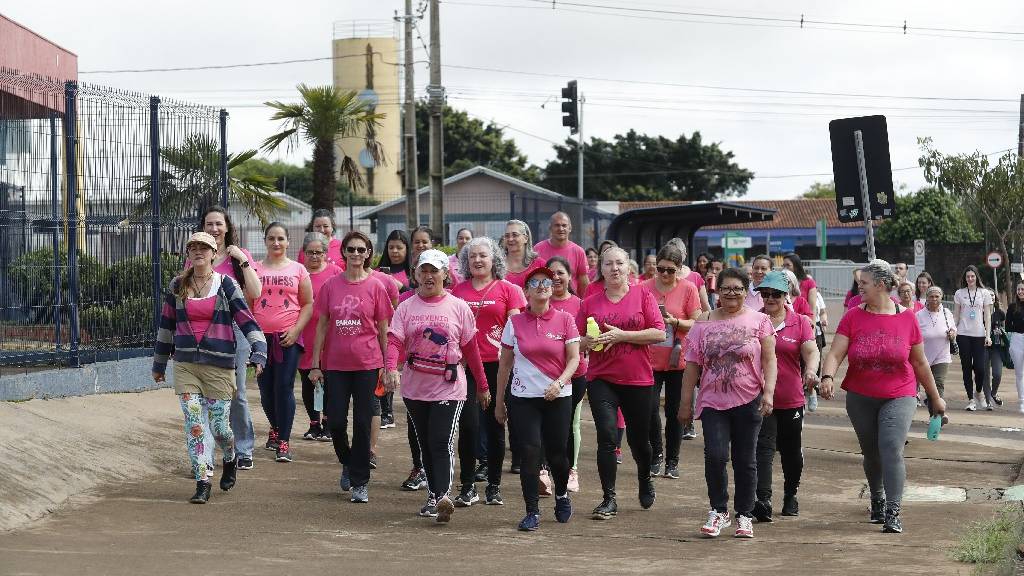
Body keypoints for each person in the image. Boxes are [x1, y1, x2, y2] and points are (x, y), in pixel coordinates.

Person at [820, 259, 947, 534]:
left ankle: (893, 510)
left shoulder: (907, 317)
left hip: (899, 393)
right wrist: (828, 376)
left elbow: (921, 363)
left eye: (863, 283)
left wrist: (934, 398)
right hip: (860, 395)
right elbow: (835, 352)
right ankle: (876, 496)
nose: (859, 287)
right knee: (871, 453)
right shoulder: (853, 315)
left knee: (891, 448)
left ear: (880, 285)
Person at [152, 232, 267, 503]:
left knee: (220, 427)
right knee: (194, 424)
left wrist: (259, 351)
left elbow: (246, 320)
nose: (198, 252)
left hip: (219, 365)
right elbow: (167, 326)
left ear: (215, 254)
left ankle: (230, 456)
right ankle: (202, 480)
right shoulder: (178, 285)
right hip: (186, 365)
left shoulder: (226, 285)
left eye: (204, 248)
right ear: (188, 254)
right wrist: (159, 364)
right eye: (193, 248)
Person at [383, 249, 489, 523]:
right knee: (426, 443)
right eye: (424, 271)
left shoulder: (458, 307)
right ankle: (433, 495)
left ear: (445, 274)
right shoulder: (406, 307)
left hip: (449, 386)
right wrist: (391, 368)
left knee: (441, 441)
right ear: (416, 274)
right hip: (415, 386)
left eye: (435, 271)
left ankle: (442, 496)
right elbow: (394, 340)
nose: (429, 276)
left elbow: (471, 348)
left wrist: (483, 385)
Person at [679, 268, 777, 539]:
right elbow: (692, 366)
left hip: (749, 399)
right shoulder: (703, 322)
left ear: (746, 291)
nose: (731, 293)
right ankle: (718, 510)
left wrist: (768, 392)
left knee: (745, 460)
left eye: (737, 288)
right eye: (726, 288)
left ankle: (744, 515)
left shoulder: (760, 320)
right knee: (716, 455)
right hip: (712, 401)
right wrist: (685, 403)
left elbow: (770, 360)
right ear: (717, 291)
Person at [578, 246, 667, 520]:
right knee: (606, 437)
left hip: (637, 379)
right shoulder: (590, 302)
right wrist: (587, 342)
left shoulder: (643, 295)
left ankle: (644, 478)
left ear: (629, 267)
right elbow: (576, 340)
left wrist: (623, 335)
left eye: (619, 263)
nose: (614, 268)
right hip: (601, 378)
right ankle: (608, 498)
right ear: (600, 269)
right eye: (608, 264)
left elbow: (659, 333)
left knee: (640, 442)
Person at [308, 232, 394, 503]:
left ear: (368, 253)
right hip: (335, 364)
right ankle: (347, 460)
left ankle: (360, 481)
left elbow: (383, 328)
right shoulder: (331, 286)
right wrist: (315, 364)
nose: (356, 254)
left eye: (361, 249)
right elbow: (321, 325)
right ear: (343, 253)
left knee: (362, 422)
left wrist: (386, 365)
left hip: (368, 364)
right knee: (334, 421)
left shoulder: (377, 286)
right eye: (351, 249)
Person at [495, 266, 581, 531]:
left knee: (557, 453)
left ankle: (562, 495)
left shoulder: (565, 319)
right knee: (530, 452)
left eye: (547, 281)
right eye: (536, 282)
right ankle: (531, 510)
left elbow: (574, 358)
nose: (543, 285)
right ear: (526, 291)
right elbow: (505, 364)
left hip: (558, 396)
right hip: (523, 398)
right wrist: (500, 401)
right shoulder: (515, 322)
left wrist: (559, 382)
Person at [451, 236, 527, 507]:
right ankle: (468, 485)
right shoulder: (457, 292)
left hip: (498, 366)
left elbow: (518, 330)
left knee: (496, 425)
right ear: (466, 261)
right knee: (469, 426)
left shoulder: (509, 290)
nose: (478, 260)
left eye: (483, 255)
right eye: (472, 256)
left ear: (494, 258)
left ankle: (494, 486)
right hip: (466, 367)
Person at [195, 206, 261, 471]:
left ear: (227, 227)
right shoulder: (197, 256)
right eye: (209, 224)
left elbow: (255, 292)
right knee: (206, 394)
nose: (214, 229)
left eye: (218, 224)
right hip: (204, 330)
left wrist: (242, 260)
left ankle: (243, 449)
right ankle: (208, 454)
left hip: (235, 328)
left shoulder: (238, 256)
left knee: (237, 393)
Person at [752, 271, 818, 522]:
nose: (769, 299)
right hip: (759, 396)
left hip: (791, 397)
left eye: (775, 295)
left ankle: (791, 493)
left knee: (791, 451)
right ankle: (764, 500)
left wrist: (811, 370)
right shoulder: (753, 320)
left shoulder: (799, 322)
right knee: (764, 447)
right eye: (765, 294)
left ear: (785, 296)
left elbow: (811, 351)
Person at [253, 222, 314, 463]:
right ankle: (275, 427)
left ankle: (284, 441)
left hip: (288, 338)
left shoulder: (299, 270)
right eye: (271, 238)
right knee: (266, 389)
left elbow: (308, 303)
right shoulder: (255, 269)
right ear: (265, 241)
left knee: (284, 387)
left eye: (280, 238)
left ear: (288, 242)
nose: (276, 243)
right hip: (260, 340)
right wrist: (253, 335)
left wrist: (296, 330)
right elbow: (248, 304)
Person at [644, 244, 701, 479]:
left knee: (676, 411)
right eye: (660, 269)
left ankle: (672, 460)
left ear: (679, 269)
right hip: (649, 357)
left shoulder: (688, 289)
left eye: (670, 270)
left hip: (678, 358)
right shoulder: (644, 288)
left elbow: (697, 323)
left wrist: (674, 321)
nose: (665, 274)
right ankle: (656, 454)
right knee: (649, 410)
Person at [297, 232, 342, 441]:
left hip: (330, 336)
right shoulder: (299, 273)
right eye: (310, 252)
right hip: (305, 333)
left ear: (326, 253)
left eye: (319, 252)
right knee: (308, 381)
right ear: (304, 253)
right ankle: (314, 423)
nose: (315, 256)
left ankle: (328, 423)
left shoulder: (336, 272)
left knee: (330, 383)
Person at [546, 256, 587, 492]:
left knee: (571, 422)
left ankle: (571, 469)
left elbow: (589, 340)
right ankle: (545, 470)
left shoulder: (580, 304)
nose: (556, 277)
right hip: (542, 374)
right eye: (551, 273)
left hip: (575, 373)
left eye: (561, 272)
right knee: (545, 424)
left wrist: (570, 344)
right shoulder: (539, 303)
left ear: (570, 276)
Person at [954, 265, 994, 411]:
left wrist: (988, 335)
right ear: (965, 279)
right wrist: (953, 330)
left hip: (979, 335)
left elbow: (987, 316)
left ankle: (979, 392)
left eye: (972, 276)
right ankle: (971, 399)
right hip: (963, 334)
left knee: (980, 368)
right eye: (967, 277)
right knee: (966, 368)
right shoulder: (959, 293)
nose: (970, 279)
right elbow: (956, 315)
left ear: (977, 277)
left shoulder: (984, 293)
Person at [916, 286, 955, 411]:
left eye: (937, 296)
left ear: (941, 297)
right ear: (927, 298)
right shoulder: (919, 315)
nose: (934, 299)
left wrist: (953, 333)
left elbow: (954, 328)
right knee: (929, 386)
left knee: (938, 383)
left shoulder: (946, 312)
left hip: (942, 355)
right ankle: (933, 413)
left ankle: (938, 415)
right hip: (924, 356)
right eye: (931, 296)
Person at [533, 211, 591, 294]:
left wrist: (583, 303)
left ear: (570, 228)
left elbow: (583, 283)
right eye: (557, 225)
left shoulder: (578, 251)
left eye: (564, 225)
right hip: (545, 303)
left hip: (571, 303)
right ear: (550, 228)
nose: (561, 229)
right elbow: (534, 279)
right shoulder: (538, 249)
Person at [503, 219, 544, 289]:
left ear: (525, 238)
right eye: (507, 236)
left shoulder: (540, 264)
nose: (510, 239)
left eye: (515, 235)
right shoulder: (497, 266)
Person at [782, 253, 819, 320]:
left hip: (803, 322)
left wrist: (812, 328)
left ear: (796, 266)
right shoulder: (781, 282)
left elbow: (812, 308)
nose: (785, 268)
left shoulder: (809, 282)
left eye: (788, 265)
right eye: (783, 265)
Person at [1006, 283, 1024, 413]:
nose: (1020, 291)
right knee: (1020, 373)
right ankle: (1022, 402)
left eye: (1023, 289)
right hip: (1017, 339)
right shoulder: (1012, 307)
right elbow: (1007, 326)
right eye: (1018, 289)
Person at [987, 293, 1007, 407]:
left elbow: (1004, 327)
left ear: (995, 297)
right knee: (983, 373)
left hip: (997, 346)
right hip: (983, 346)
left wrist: (1001, 331)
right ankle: (987, 397)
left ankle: (993, 393)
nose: (991, 297)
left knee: (997, 374)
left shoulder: (1000, 313)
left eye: (992, 295)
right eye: (988, 295)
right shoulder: (981, 310)